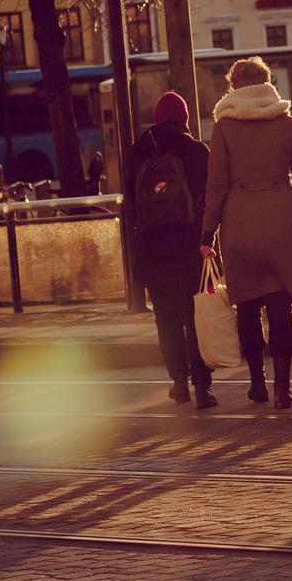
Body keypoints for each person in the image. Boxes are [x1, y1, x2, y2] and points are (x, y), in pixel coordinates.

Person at [201, 57, 292, 410]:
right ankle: (284, 386)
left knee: (248, 307)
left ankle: (257, 383)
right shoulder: (289, 124)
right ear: (268, 83)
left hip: (238, 221)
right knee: (280, 304)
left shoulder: (225, 127)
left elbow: (217, 184)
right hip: (281, 218)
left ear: (234, 86)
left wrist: (208, 232)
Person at [125, 91, 214, 408]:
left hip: (152, 249)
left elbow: (131, 208)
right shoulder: (197, 151)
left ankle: (179, 382)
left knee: (166, 317)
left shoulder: (138, 152)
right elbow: (210, 201)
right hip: (191, 247)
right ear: (185, 119)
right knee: (195, 316)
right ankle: (203, 386)